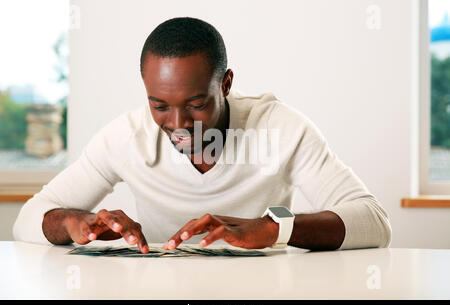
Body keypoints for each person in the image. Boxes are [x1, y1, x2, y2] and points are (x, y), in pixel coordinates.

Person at [13, 17, 391, 254]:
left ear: (226, 84)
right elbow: (27, 219)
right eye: (159, 105)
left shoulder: (280, 128)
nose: (179, 123)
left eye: (196, 104)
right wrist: (74, 222)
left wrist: (276, 229)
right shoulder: (124, 137)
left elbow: (373, 221)